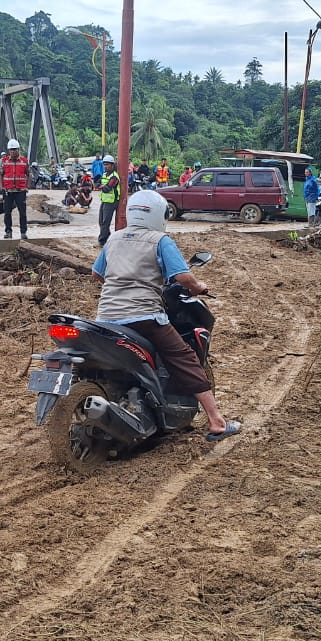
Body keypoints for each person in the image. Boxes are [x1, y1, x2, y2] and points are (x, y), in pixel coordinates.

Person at [93, 190, 240, 443]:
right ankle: (217, 422)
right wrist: (198, 287)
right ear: (159, 215)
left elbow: (97, 274)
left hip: (106, 318)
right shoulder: (160, 240)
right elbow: (183, 277)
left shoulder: (114, 238)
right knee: (185, 358)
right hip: (144, 316)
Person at [0, 137, 29, 239]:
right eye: (11, 150)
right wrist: (2, 187)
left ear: (18, 150)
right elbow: (1, 174)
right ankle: (8, 231)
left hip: (20, 191)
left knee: (22, 213)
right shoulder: (4, 161)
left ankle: (23, 232)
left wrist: (26, 187)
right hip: (8, 191)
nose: (13, 151)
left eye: (14, 149)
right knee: (7, 212)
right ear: (9, 151)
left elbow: (29, 174)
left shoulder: (24, 161)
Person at [98, 154, 121, 246]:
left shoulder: (115, 177)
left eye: (107, 164)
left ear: (112, 165)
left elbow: (107, 188)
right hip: (105, 200)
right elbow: (98, 184)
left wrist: (103, 186)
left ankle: (102, 241)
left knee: (105, 222)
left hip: (112, 201)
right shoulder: (104, 174)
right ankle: (107, 237)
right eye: (104, 164)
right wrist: (102, 186)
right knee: (101, 221)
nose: (105, 166)